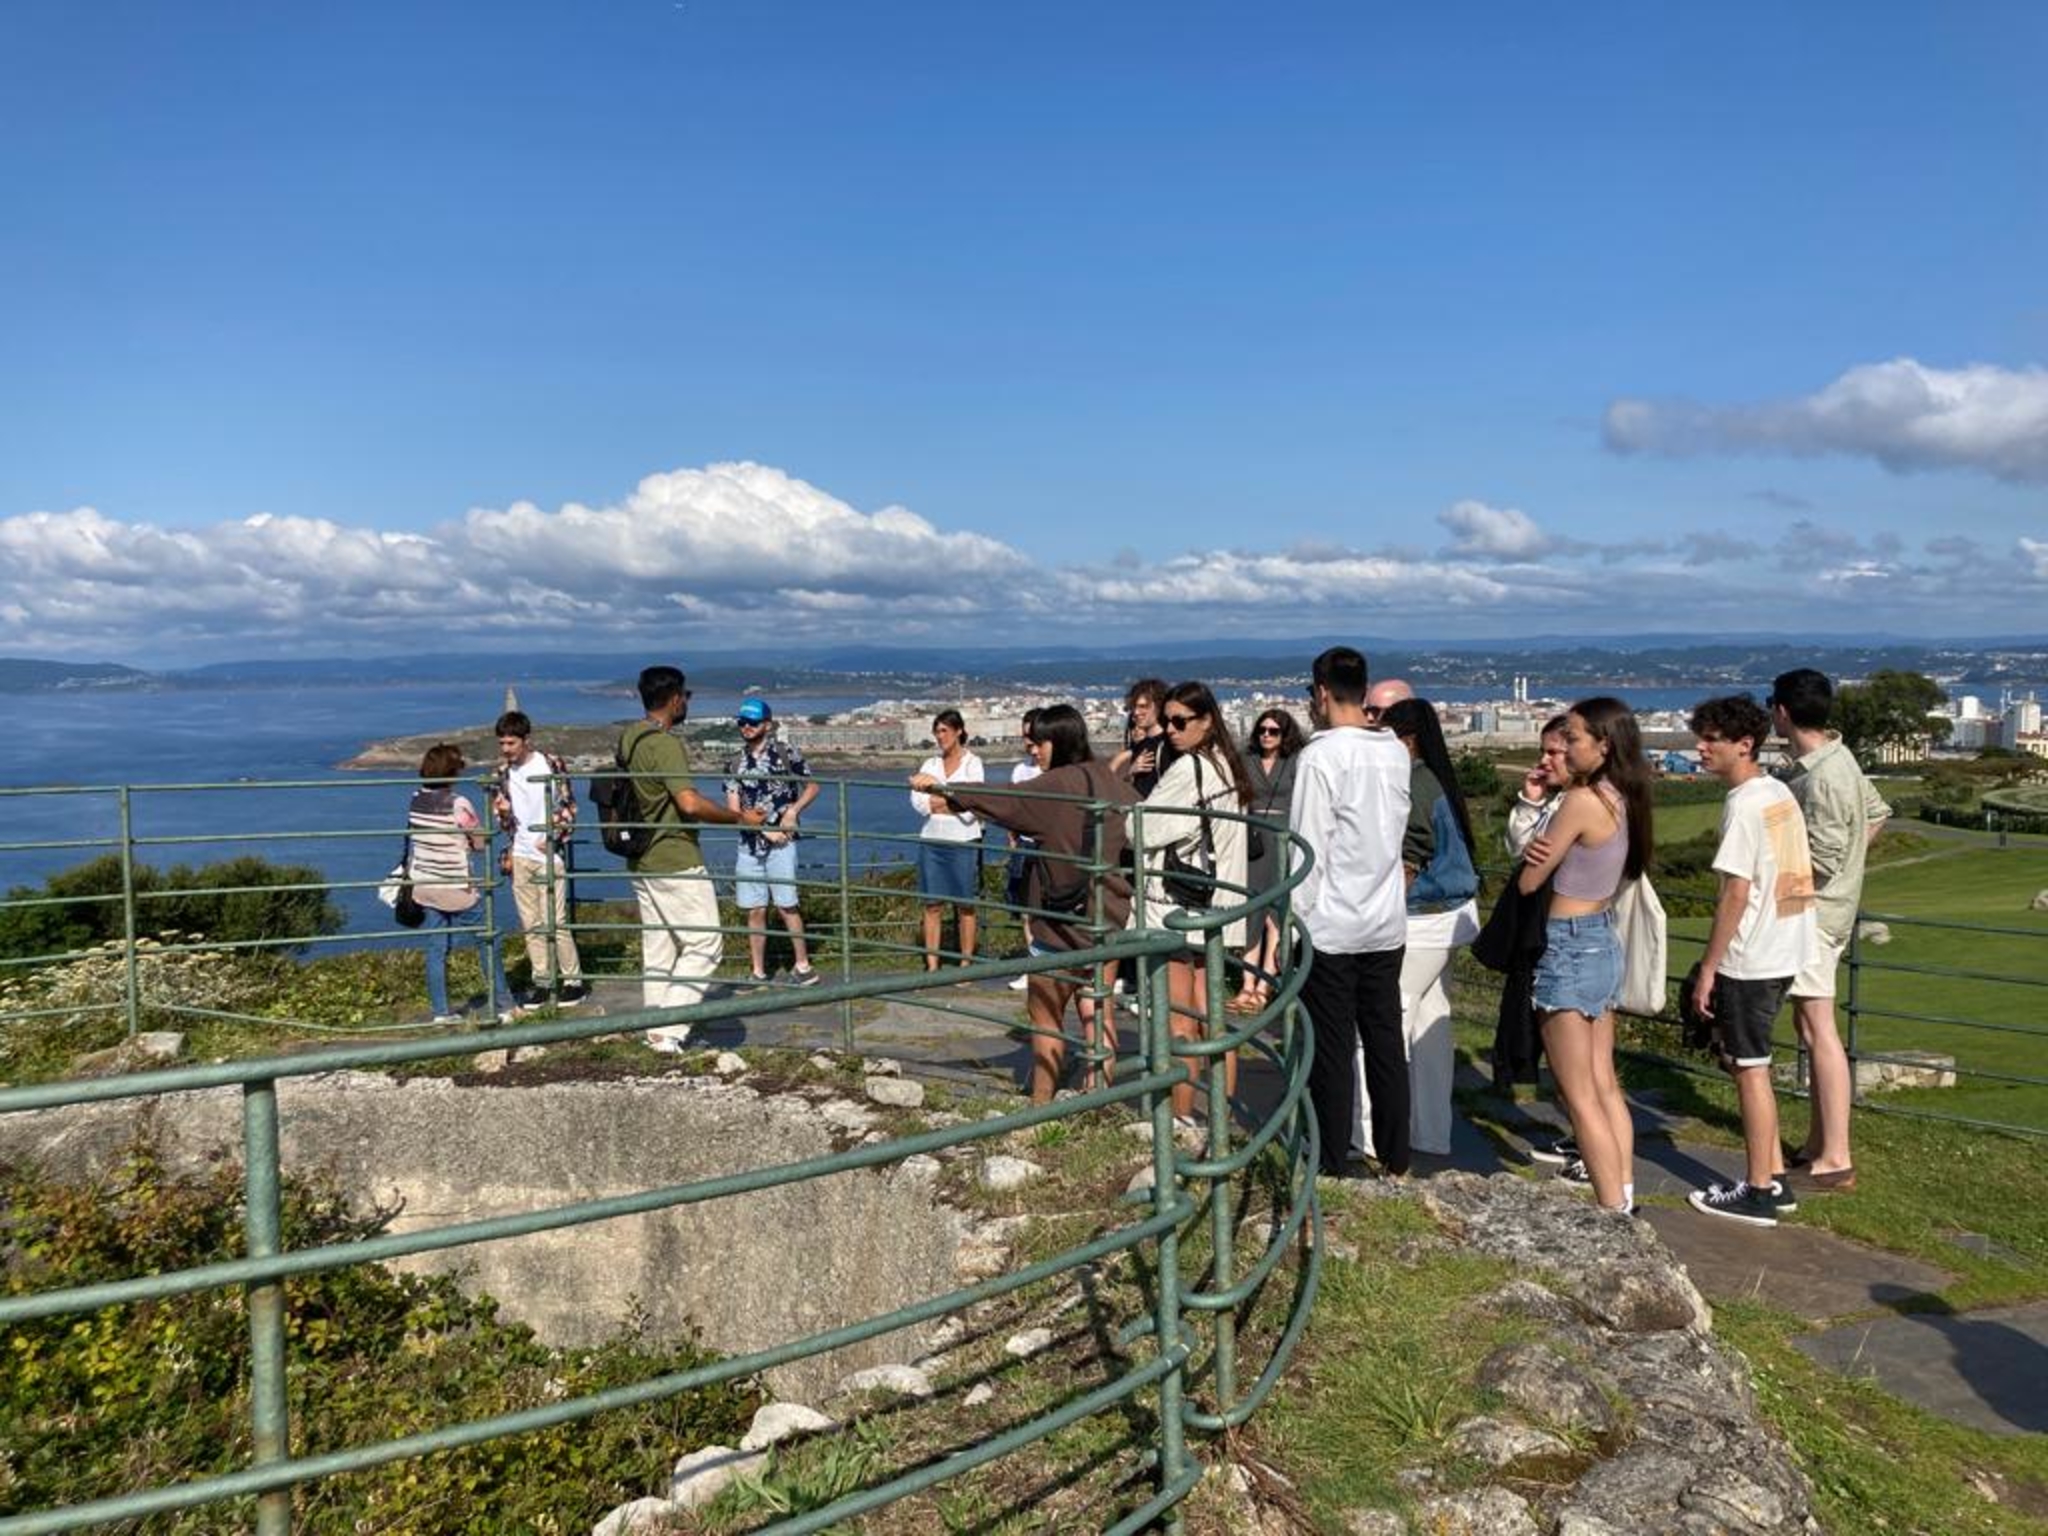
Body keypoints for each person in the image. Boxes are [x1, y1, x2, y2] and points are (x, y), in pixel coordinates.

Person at [923, 704, 1139, 1102]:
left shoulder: (1052, 785)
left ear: (1056, 742)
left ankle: (1040, 1106)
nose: (1032, 751)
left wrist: (943, 789)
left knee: (1045, 1017)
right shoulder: (1112, 783)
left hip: (1060, 919)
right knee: (1098, 1012)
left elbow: (1003, 800)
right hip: (1107, 916)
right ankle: (1099, 1100)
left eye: (1037, 743)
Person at [1516, 697, 1654, 1213]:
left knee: (1579, 1097)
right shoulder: (1626, 797)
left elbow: (1529, 880)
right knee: (1604, 1084)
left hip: (1567, 942)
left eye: (1573, 739)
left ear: (1603, 744)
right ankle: (1626, 1192)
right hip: (1601, 936)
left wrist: (1538, 841)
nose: (1566, 748)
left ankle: (1612, 1208)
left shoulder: (1580, 801)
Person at [1685, 694, 1818, 1228]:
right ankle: (1774, 1178)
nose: (1701, 748)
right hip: (1787, 945)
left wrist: (1709, 967)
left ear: (1745, 744)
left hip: (1753, 955)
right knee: (1753, 1064)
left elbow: (1735, 893)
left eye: (1712, 739)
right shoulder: (1777, 792)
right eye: (1701, 737)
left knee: (1749, 1069)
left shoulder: (1743, 805)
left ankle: (1758, 1189)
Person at [1290, 647, 1412, 1178]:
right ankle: (1396, 1156)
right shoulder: (1394, 751)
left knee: (1332, 1049)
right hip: (1385, 920)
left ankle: (1330, 1158)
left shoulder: (1321, 757)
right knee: (1385, 1042)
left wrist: (1293, 924)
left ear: (1321, 692)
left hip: (1331, 924)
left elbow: (1307, 850)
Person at [1771, 668, 1887, 1195]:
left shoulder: (1820, 777)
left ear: (1782, 712)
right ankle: (1820, 1144)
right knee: (1810, 1025)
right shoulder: (1838, 758)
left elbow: (1818, 861)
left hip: (1815, 915)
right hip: (1828, 909)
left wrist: (1766, 879)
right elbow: (1876, 814)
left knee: (1819, 1028)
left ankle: (1835, 1157)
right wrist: (1851, 871)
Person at [621, 666, 764, 1051]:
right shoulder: (664, 744)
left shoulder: (631, 737)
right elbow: (688, 802)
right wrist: (739, 818)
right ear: (674, 700)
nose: (687, 702)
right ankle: (669, 1029)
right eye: (686, 696)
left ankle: (655, 1027)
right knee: (705, 944)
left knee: (660, 946)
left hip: (641, 855)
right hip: (674, 855)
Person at [1363, 698, 1481, 1159]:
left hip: (1422, 916)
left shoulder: (1412, 783)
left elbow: (1408, 860)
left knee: (1389, 1018)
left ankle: (1372, 1132)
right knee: (1433, 1022)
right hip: (1452, 914)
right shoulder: (1435, 780)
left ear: (1406, 739)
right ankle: (1430, 1132)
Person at [1135, 682, 1254, 1120]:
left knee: (1178, 1019)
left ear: (1206, 721)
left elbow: (1142, 828)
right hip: (1221, 902)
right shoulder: (1227, 763)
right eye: (1167, 721)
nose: (1170, 730)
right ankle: (1221, 1116)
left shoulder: (1189, 769)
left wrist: (1131, 815)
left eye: (1179, 721)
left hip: (1179, 905)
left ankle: (1181, 1119)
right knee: (1211, 1018)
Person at [406, 742, 517, 1025]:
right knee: (488, 941)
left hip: (425, 885)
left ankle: (441, 1012)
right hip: (456, 888)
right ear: (451, 772)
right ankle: (505, 1005)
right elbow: (479, 843)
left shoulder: (416, 799)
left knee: (436, 949)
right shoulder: (458, 803)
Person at [490, 710, 587, 1008]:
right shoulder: (502, 774)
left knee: (555, 921)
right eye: (502, 743)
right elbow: (505, 822)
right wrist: (502, 813)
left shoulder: (551, 764)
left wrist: (554, 835)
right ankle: (543, 982)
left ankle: (574, 981)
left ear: (526, 740)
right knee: (531, 924)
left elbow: (569, 805)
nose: (506, 749)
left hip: (548, 854)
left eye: (511, 743)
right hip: (520, 853)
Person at [723, 697, 822, 987]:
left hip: (783, 843)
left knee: (786, 905)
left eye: (752, 722)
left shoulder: (785, 753)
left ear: (767, 724)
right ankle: (758, 972)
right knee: (754, 910)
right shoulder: (734, 763)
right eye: (742, 722)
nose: (746, 727)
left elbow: (812, 786)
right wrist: (765, 830)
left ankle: (803, 966)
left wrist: (793, 811)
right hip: (750, 845)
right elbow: (733, 811)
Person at [1228, 707, 1305, 1016]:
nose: (1266, 735)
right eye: (1262, 730)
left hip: (1284, 839)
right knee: (1252, 912)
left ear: (1285, 734)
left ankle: (1264, 985)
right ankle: (1247, 985)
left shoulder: (1296, 761)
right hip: (1253, 838)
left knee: (1276, 913)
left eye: (1273, 731)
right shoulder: (1246, 760)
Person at [910, 709, 986, 971]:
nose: (940, 736)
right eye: (937, 731)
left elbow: (972, 802)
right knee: (932, 904)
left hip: (964, 841)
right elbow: (918, 802)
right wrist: (951, 801)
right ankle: (932, 965)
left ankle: (966, 963)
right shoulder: (930, 764)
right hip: (932, 840)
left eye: (944, 730)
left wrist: (937, 791)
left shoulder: (973, 763)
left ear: (959, 731)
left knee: (966, 905)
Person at [1005, 708, 1046, 993]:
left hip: (1048, 844)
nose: (1028, 742)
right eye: (1024, 736)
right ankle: (1033, 965)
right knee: (1026, 909)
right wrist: (1012, 838)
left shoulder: (1054, 770)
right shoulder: (1021, 770)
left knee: (1048, 907)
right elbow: (1013, 807)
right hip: (1025, 843)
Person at [1110, 678, 1169, 796]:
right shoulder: (1141, 745)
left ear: (1159, 706)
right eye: (1134, 707)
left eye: (1143, 706)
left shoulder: (1168, 745)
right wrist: (1131, 772)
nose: (1136, 712)